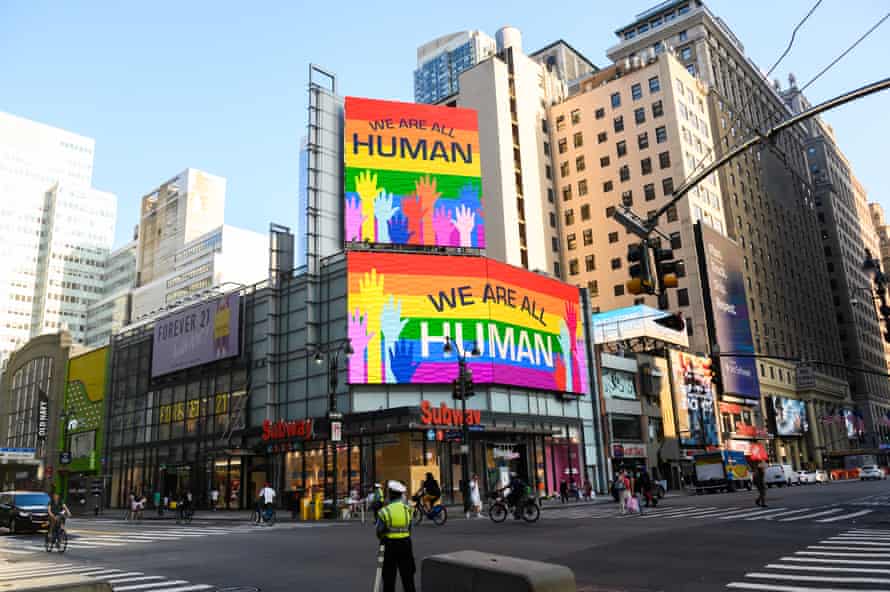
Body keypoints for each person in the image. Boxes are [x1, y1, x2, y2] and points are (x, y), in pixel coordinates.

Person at [376, 481, 416, 592]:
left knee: (389, 578)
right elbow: (409, 528)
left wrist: (384, 535)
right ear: (401, 494)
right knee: (408, 577)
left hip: (389, 545)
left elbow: (379, 532)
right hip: (406, 544)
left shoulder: (384, 511)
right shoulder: (407, 510)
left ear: (390, 494)